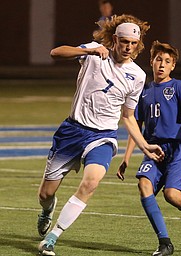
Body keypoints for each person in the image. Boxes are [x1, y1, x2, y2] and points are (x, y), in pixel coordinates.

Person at [37, 14, 165, 256]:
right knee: (46, 194)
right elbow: (56, 53)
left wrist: (145, 145)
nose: (128, 47)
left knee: (91, 183)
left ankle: (53, 237)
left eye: (133, 44)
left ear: (138, 46)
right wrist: (89, 51)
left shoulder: (137, 76)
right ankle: (47, 210)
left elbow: (128, 116)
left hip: (103, 136)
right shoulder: (94, 52)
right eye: (124, 41)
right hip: (72, 131)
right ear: (115, 39)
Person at [117, 40, 181, 256]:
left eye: (167, 61)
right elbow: (136, 128)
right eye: (158, 60)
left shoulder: (178, 87)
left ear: (173, 66)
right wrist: (126, 158)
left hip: (177, 150)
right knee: (144, 186)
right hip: (154, 150)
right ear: (152, 62)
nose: (162, 65)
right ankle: (165, 243)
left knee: (172, 195)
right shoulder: (143, 91)